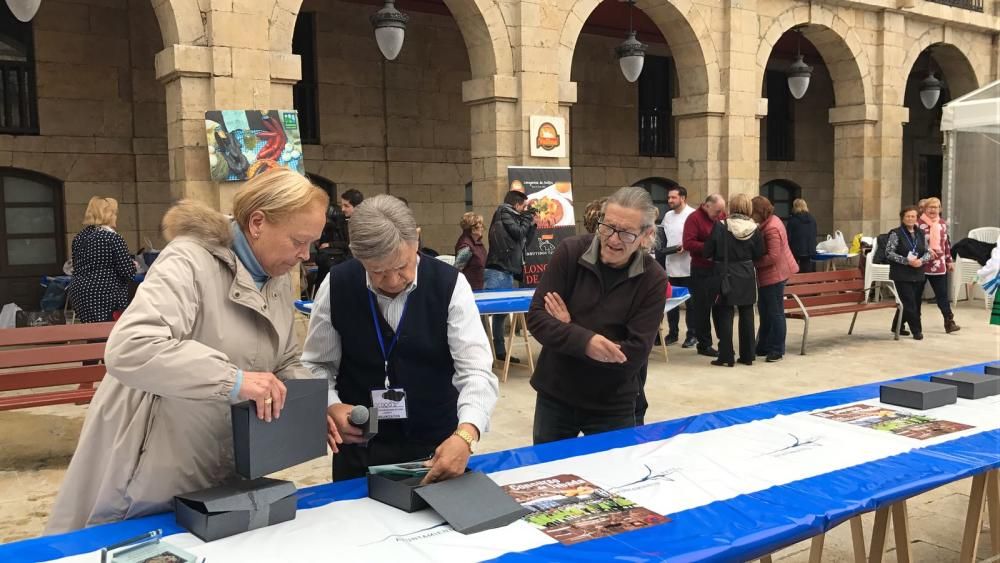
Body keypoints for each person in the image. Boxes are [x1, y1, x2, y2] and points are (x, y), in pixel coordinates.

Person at [46, 169, 329, 534]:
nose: (305, 255)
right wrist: (235, 380)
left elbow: (286, 358)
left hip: (221, 460)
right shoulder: (188, 261)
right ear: (257, 222)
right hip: (154, 461)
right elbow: (132, 346)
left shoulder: (273, 276)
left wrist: (314, 406)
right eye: (298, 241)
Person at [302, 195, 498, 483]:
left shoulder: (449, 284)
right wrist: (330, 405)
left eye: (402, 267)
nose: (393, 281)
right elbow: (316, 364)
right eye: (377, 272)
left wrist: (466, 434)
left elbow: (476, 370)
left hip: (437, 449)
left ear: (416, 239)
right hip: (360, 450)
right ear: (358, 257)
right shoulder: (337, 284)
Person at [526, 187, 667, 444]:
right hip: (557, 395)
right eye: (608, 227)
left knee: (615, 477)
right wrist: (587, 342)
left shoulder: (653, 279)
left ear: (646, 236)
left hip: (613, 402)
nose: (613, 239)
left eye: (626, 233)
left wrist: (569, 328)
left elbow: (633, 354)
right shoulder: (570, 252)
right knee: (549, 476)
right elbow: (536, 318)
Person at [704, 194, 764, 367]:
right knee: (746, 313)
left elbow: (707, 251)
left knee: (724, 313)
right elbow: (759, 253)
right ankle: (747, 355)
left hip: (725, 273)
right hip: (746, 272)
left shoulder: (720, 226)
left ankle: (726, 356)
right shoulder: (754, 229)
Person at [484, 190, 537, 362]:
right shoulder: (504, 212)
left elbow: (523, 242)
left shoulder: (512, 215)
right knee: (488, 314)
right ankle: (485, 352)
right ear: (516, 205)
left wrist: (532, 225)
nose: (524, 210)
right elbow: (518, 233)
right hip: (498, 270)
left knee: (501, 315)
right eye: (523, 207)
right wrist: (527, 219)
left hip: (506, 270)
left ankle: (499, 352)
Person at [67, 197, 137, 323]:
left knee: (92, 334)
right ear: (108, 215)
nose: (116, 217)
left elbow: (78, 266)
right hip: (105, 294)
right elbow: (128, 272)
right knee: (107, 335)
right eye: (115, 213)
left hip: (79, 293)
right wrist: (133, 265)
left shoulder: (79, 237)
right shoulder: (112, 238)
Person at [752, 196, 799, 363]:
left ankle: (777, 350)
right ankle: (763, 346)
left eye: (753, 213)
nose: (751, 216)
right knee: (765, 311)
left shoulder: (771, 228)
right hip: (773, 274)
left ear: (759, 212)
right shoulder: (772, 221)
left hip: (775, 274)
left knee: (775, 312)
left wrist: (754, 263)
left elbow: (773, 256)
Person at [682, 193, 727, 356]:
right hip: (701, 269)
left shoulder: (720, 216)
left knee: (720, 307)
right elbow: (688, 243)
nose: (719, 215)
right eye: (717, 211)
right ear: (706, 206)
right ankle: (704, 344)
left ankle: (724, 341)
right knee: (702, 308)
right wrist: (709, 247)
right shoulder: (694, 218)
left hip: (718, 269)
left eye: (721, 211)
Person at [886, 205, 932, 340]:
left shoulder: (920, 233)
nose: (910, 219)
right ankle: (917, 330)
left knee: (915, 302)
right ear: (902, 218)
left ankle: (897, 326)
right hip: (901, 273)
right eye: (908, 216)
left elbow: (928, 251)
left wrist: (921, 261)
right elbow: (889, 253)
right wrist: (907, 261)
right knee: (909, 302)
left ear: (917, 218)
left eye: (913, 216)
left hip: (918, 272)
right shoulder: (896, 233)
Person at [917, 197, 960, 334]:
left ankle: (949, 322)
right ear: (924, 209)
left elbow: (946, 244)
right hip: (921, 264)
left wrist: (949, 260)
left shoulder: (942, 224)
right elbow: (914, 245)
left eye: (936, 207)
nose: (933, 210)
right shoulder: (918, 224)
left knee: (942, 295)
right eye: (930, 207)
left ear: (940, 209)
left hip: (939, 264)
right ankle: (909, 324)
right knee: (914, 296)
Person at [660, 186, 696, 346]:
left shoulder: (692, 215)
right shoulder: (667, 216)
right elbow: (663, 236)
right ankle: (672, 333)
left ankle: (692, 335)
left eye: (673, 197)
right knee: (671, 301)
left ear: (683, 198)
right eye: (669, 198)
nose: (669, 201)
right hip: (671, 264)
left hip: (688, 266)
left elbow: (698, 238)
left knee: (691, 304)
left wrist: (687, 246)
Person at [454, 212, 487, 290]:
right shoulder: (466, 246)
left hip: (479, 288)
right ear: (472, 229)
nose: (482, 228)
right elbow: (457, 269)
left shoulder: (477, 242)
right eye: (480, 226)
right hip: (470, 290)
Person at [787, 198, 818, 273]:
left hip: (796, 250)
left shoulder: (793, 220)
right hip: (810, 249)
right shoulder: (812, 219)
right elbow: (815, 233)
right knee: (807, 271)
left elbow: (788, 236)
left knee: (794, 271)